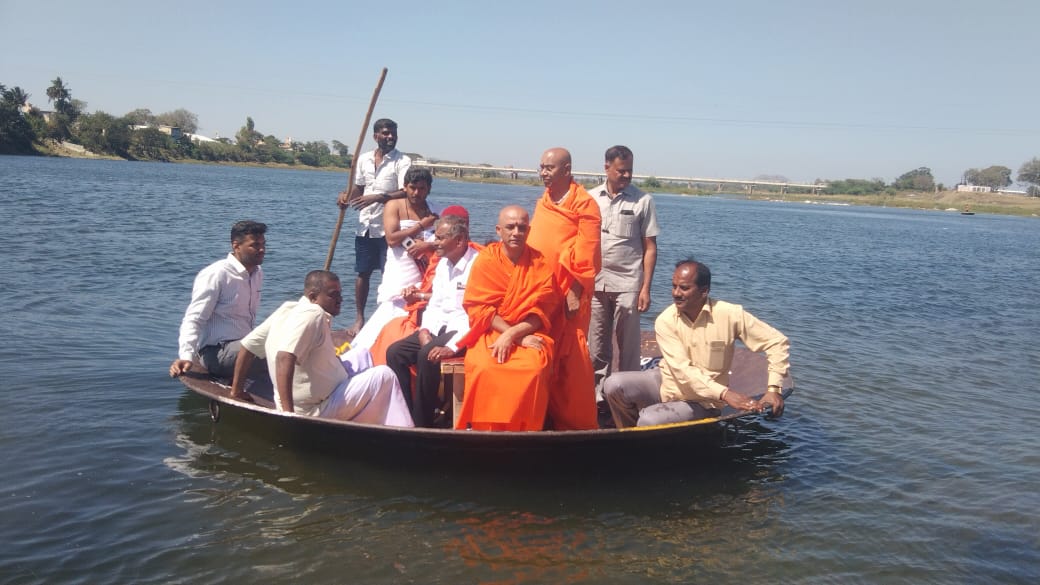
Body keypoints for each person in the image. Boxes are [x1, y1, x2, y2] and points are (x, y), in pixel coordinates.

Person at [603, 260, 789, 428]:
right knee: (613, 384)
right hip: (669, 384)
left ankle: (647, 432)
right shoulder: (666, 320)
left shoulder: (730, 314)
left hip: (705, 400)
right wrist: (727, 394)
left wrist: (774, 389)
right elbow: (683, 371)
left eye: (684, 288)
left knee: (649, 420)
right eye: (674, 286)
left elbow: (776, 341)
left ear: (704, 291)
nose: (676, 293)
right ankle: (631, 435)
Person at [233, 270, 413, 426]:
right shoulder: (314, 314)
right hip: (314, 410)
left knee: (361, 354)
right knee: (384, 375)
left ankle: (366, 416)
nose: (340, 300)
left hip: (318, 396)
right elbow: (284, 357)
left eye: (340, 294)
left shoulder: (288, 309)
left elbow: (247, 346)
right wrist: (288, 416)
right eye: (333, 295)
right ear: (313, 297)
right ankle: (403, 430)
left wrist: (237, 390)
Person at [453, 205, 559, 431]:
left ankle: (525, 430)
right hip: (492, 330)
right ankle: (487, 429)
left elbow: (542, 313)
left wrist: (514, 334)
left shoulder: (540, 263)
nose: (516, 233)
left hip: (528, 331)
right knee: (484, 366)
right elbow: (480, 309)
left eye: (522, 228)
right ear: (498, 230)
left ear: (529, 231)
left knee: (534, 368)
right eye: (510, 227)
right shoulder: (486, 260)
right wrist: (510, 336)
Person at [526, 147, 601, 430]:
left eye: (549, 168)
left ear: (566, 170)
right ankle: (541, 412)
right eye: (541, 167)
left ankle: (575, 420)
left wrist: (575, 292)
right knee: (540, 348)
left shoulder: (585, 204)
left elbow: (589, 251)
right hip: (541, 289)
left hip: (570, 292)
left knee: (570, 357)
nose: (543, 173)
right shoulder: (544, 200)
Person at [586, 145, 660, 422]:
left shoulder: (643, 201)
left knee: (628, 346)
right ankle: (596, 399)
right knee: (597, 345)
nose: (626, 175)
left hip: (628, 283)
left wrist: (646, 287)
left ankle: (628, 398)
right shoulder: (590, 198)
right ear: (607, 167)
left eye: (630, 170)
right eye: (621, 170)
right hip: (594, 283)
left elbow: (650, 247)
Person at [385, 214, 479, 427]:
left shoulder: (477, 265)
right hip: (439, 327)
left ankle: (422, 423)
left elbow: (475, 314)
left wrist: (453, 347)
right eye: (435, 236)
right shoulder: (444, 265)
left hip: (463, 331)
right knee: (395, 352)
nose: (434, 242)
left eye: (440, 237)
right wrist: (424, 330)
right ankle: (406, 413)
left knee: (428, 355)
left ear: (459, 240)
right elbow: (435, 303)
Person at [169, 220, 270, 394]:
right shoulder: (217, 274)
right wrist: (186, 355)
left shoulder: (257, 273)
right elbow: (194, 319)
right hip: (217, 353)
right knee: (281, 343)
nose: (262, 249)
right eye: (255, 245)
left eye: (263, 244)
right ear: (236, 246)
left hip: (243, 348)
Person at [348, 167, 439, 350]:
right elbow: (391, 239)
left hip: (424, 272)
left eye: (422, 188)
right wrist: (421, 225)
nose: (416, 193)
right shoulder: (394, 205)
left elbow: (444, 242)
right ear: (405, 187)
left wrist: (427, 245)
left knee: (418, 312)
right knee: (391, 311)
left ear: (428, 189)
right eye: (412, 187)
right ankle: (371, 352)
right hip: (400, 270)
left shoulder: (435, 210)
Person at [337, 118, 412, 336]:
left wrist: (378, 198)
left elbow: (405, 191)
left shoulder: (402, 161)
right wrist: (345, 197)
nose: (390, 137)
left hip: (390, 228)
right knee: (363, 273)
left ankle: (387, 321)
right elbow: (358, 190)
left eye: (393, 134)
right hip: (365, 226)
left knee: (390, 275)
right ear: (375, 136)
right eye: (386, 134)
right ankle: (359, 319)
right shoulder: (364, 159)